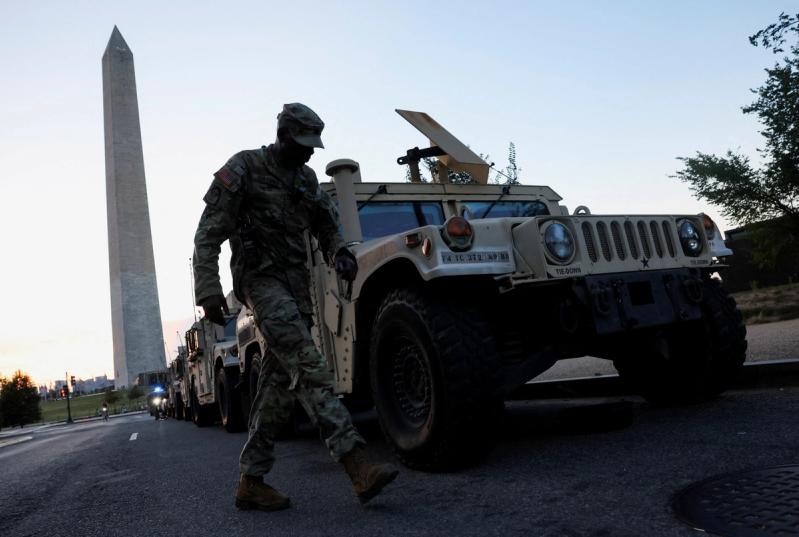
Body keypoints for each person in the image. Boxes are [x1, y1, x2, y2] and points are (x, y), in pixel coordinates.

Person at [192, 103, 398, 512]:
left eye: (313, 146)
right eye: (303, 144)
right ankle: (356, 464)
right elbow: (207, 234)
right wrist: (208, 290)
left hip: (297, 291)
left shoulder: (305, 178)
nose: (310, 153)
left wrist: (339, 251)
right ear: (283, 135)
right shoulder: (245, 168)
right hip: (262, 284)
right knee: (309, 363)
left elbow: (326, 223)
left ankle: (251, 481)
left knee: (275, 391)